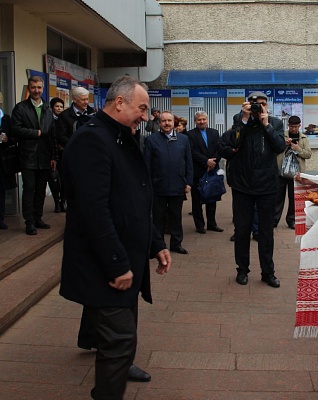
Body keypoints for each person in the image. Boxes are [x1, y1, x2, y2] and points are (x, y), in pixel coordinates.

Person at [59, 76, 171, 399]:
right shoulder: (92, 141)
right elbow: (93, 211)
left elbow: (132, 202)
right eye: (142, 108)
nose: (146, 116)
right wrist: (117, 264)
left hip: (124, 262)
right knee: (121, 338)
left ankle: (118, 370)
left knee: (121, 337)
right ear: (119, 103)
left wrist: (155, 243)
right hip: (102, 267)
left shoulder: (121, 137)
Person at [224, 91, 286, 288]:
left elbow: (279, 147)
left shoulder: (275, 123)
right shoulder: (239, 120)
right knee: (242, 230)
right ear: (247, 105)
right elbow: (233, 142)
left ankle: (268, 272)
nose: (259, 107)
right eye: (255, 104)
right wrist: (244, 119)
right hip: (242, 185)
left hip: (267, 184)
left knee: (266, 232)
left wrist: (266, 124)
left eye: (263, 104)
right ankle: (242, 270)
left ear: (267, 106)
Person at [10, 75, 55, 235]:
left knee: (41, 190)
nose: (36, 90)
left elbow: (52, 135)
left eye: (39, 87)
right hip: (28, 156)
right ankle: (29, 222)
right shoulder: (20, 108)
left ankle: (38, 218)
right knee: (29, 190)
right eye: (33, 87)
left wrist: (53, 157)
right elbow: (15, 129)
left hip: (44, 157)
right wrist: (34, 133)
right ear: (29, 88)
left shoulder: (48, 110)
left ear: (43, 89)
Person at [144, 110, 193, 254]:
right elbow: (147, 164)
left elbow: (188, 163)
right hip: (158, 186)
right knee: (157, 218)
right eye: (163, 121)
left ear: (174, 122)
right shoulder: (151, 140)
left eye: (169, 121)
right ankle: (159, 246)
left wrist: (188, 182)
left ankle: (176, 244)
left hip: (178, 186)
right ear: (159, 124)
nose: (166, 123)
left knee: (176, 217)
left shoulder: (183, 140)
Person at [187, 111, 224, 233]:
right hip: (198, 171)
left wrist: (213, 162)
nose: (201, 121)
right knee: (197, 200)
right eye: (199, 120)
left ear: (207, 120)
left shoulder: (214, 132)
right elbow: (192, 152)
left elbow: (219, 149)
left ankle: (212, 224)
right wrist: (205, 162)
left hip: (212, 170)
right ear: (195, 121)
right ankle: (199, 225)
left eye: (203, 119)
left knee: (212, 197)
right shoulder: (190, 134)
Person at [274, 115, 311, 229]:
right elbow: (275, 150)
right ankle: (274, 220)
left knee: (293, 198)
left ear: (300, 126)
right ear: (288, 125)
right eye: (291, 126)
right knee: (278, 197)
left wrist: (297, 149)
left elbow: (308, 154)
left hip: (296, 174)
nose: (294, 129)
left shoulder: (303, 138)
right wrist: (285, 144)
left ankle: (291, 220)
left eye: (296, 127)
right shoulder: (282, 135)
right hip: (281, 171)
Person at [0, 92, 17, 230]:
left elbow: (14, 137)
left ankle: (0, 217)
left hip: (2, 159)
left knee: (1, 190)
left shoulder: (6, 119)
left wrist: (7, 140)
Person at [49, 97, 66, 213]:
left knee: (64, 179)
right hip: (52, 154)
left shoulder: (64, 120)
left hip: (63, 154)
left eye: (61, 106)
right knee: (54, 179)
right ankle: (56, 202)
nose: (59, 109)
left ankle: (63, 201)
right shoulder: (48, 120)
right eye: (57, 106)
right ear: (52, 107)